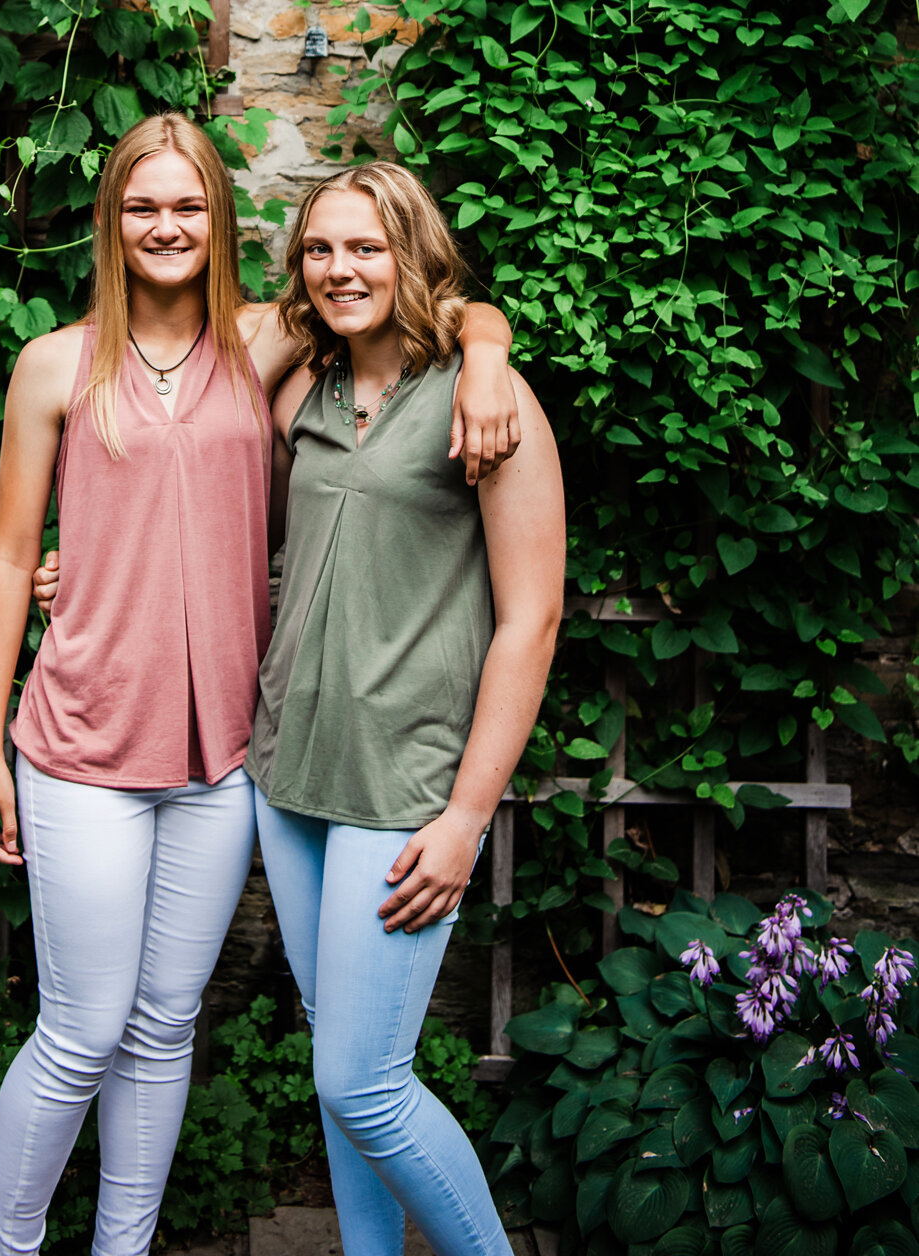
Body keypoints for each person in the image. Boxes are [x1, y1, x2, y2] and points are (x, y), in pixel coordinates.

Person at [0, 110, 519, 1256]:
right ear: (110, 220)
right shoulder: (54, 363)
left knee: (167, 1025)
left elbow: (434, 291)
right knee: (79, 1030)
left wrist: (485, 351)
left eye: (187, 205)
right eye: (140, 205)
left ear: (218, 218)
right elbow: (15, 555)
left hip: (226, 755)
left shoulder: (262, 341)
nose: (164, 225)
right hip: (79, 738)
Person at [246, 163, 565, 1256]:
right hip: (288, 768)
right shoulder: (303, 385)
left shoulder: (488, 403)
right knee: (339, 1072)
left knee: (362, 1077)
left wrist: (465, 817)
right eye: (320, 248)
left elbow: (530, 619)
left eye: (367, 246)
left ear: (413, 253)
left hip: (405, 780)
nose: (341, 268)